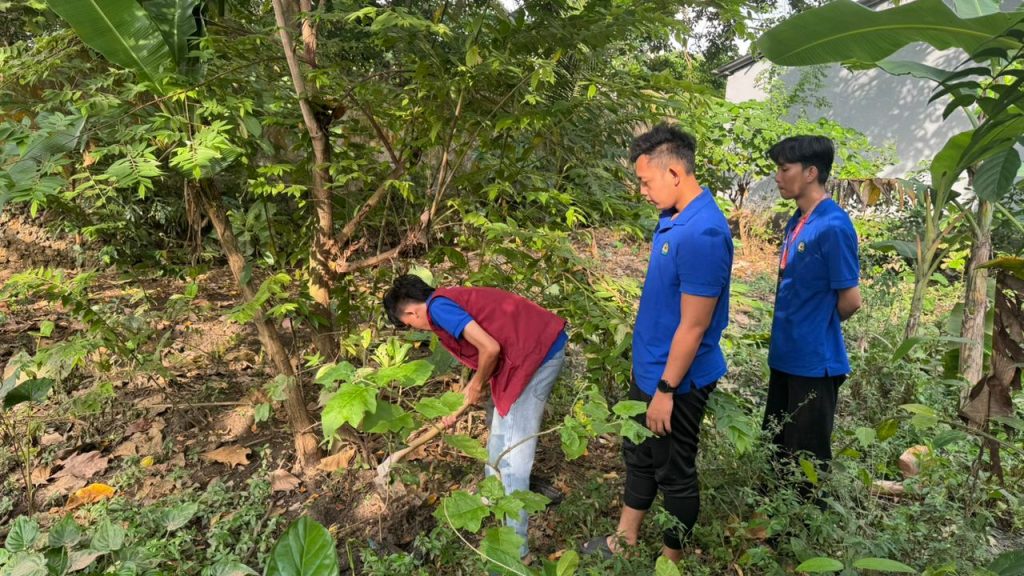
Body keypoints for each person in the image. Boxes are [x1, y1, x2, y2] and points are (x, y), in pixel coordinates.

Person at [583, 123, 733, 562]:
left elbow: (694, 326)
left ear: (674, 173)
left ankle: (670, 563)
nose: (643, 191)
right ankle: (624, 540)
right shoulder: (673, 217)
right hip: (651, 371)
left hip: (677, 381)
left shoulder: (703, 233)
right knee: (639, 453)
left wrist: (666, 390)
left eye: (646, 182)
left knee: (674, 471)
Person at [383, 274, 567, 559]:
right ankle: (493, 506)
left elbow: (490, 348)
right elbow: (488, 351)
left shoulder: (438, 309)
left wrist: (477, 383)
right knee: (497, 443)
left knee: (514, 455)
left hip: (536, 356)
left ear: (411, 313)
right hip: (525, 355)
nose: (415, 328)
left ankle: (515, 553)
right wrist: (468, 393)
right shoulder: (446, 301)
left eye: (408, 325)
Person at [762, 135, 861, 481]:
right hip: (784, 358)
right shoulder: (798, 220)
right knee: (775, 457)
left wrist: (815, 326)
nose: (777, 177)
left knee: (807, 468)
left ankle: (806, 518)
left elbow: (851, 300)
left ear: (810, 173)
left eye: (784, 169)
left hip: (814, 365)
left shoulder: (833, 226)